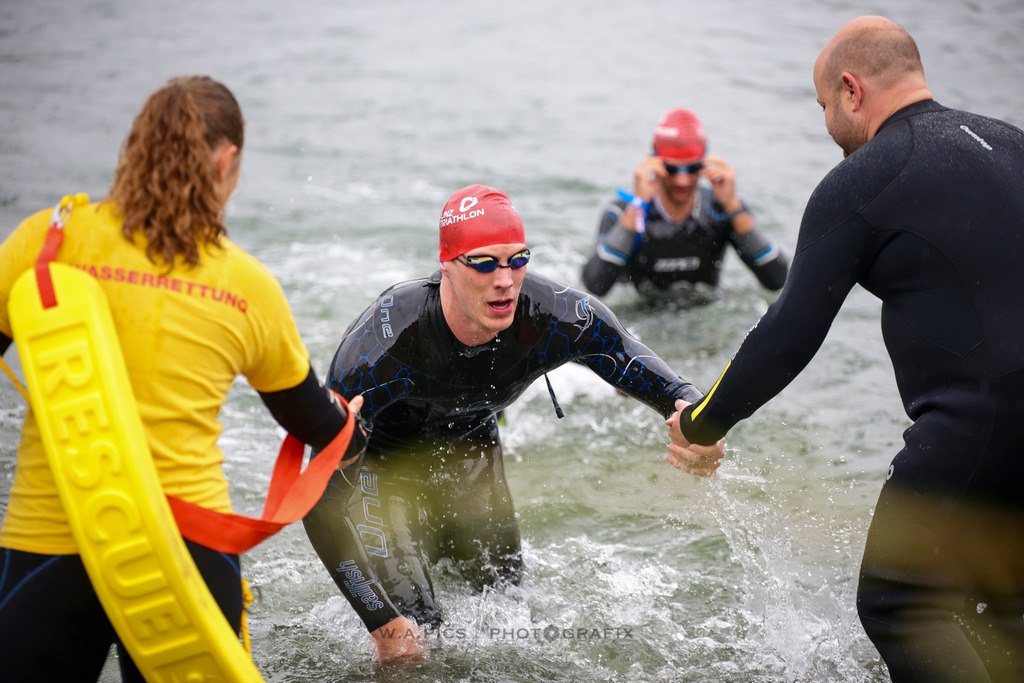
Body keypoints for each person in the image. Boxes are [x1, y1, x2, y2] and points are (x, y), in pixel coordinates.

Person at [667, 16, 1024, 683]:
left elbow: (789, 333)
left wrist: (699, 423)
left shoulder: (864, 180)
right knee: (996, 606)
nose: (829, 122)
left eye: (826, 104)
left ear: (852, 90)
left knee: (900, 600)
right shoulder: (1012, 144)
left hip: (985, 418)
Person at [0, 76, 369, 681]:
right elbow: (313, 424)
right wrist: (350, 431)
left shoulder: (49, 239)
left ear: (134, 148)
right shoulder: (245, 286)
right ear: (226, 163)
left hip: (49, 542)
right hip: (184, 554)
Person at [302, 183, 725, 662]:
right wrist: (381, 625)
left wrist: (701, 426)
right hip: (385, 463)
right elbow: (317, 498)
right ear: (447, 264)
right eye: (484, 263)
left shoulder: (552, 315)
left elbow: (647, 370)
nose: (504, 279)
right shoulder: (382, 346)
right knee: (416, 645)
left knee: (504, 617)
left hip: (471, 446)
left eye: (517, 260)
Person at [581, 107, 788, 305]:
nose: (683, 180)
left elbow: (777, 280)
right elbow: (595, 285)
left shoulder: (723, 208)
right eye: (672, 168)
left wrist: (734, 207)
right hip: (641, 322)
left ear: (704, 163)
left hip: (703, 319)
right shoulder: (623, 211)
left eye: (693, 168)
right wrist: (637, 206)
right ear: (656, 162)